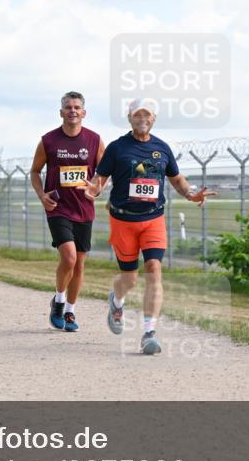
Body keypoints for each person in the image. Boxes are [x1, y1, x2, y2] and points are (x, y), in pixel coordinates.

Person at [84, 98, 215, 354]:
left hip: (153, 218)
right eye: (137, 115)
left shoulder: (162, 148)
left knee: (154, 269)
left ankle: (148, 333)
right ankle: (117, 301)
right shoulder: (117, 148)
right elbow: (99, 180)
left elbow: (176, 179)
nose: (142, 119)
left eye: (147, 115)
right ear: (130, 118)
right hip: (123, 220)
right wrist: (94, 190)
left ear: (154, 118)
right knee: (129, 279)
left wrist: (191, 194)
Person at [30, 91, 104, 332]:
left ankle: (70, 311)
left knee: (79, 265)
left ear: (84, 112)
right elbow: (34, 171)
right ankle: (59, 302)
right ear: (61, 112)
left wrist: (98, 187)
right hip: (58, 207)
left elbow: (103, 173)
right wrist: (42, 196)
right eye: (68, 107)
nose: (72, 111)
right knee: (69, 257)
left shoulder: (94, 140)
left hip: (84, 209)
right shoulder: (49, 140)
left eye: (76, 107)